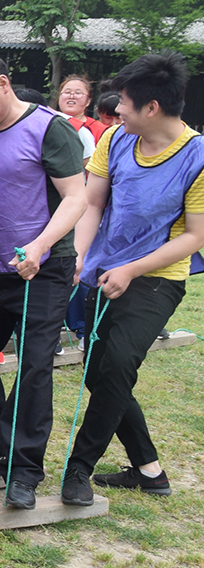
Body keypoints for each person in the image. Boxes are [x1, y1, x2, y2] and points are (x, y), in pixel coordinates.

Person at [0, 52, 88, 507]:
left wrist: (40, 245)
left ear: (2, 84)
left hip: (42, 269)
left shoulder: (49, 129)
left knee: (34, 366)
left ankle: (24, 467)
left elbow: (76, 197)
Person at [66, 52, 204, 504]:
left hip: (157, 277)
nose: (116, 110)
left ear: (152, 107)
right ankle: (149, 470)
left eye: (123, 102)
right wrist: (80, 255)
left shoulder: (198, 157)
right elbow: (93, 203)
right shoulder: (114, 139)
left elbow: (195, 236)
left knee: (118, 365)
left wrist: (131, 269)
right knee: (98, 372)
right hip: (103, 271)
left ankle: (78, 468)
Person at [56, 75, 110, 144]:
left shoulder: (100, 130)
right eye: (67, 92)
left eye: (78, 93)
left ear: (88, 101)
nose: (71, 96)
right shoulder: (48, 122)